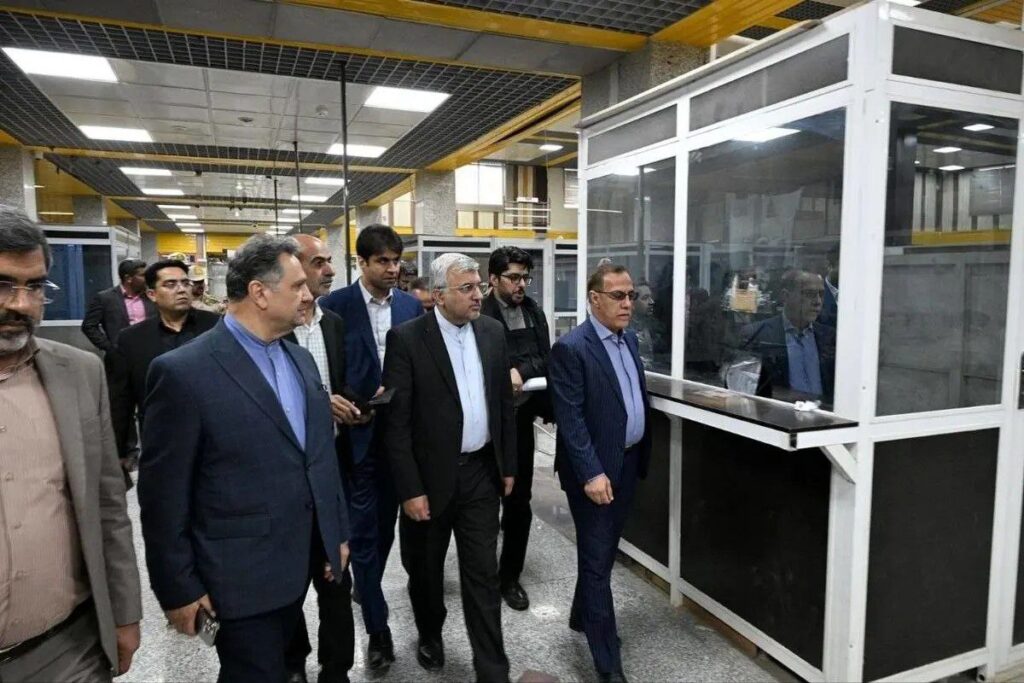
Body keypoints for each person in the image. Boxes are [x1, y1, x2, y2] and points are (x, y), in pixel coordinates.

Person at [138, 234, 350, 683]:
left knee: (290, 664)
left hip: (302, 563)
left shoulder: (301, 360)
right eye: (297, 286)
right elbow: (163, 498)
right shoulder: (183, 373)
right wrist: (179, 589)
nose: (308, 295)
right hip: (239, 578)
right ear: (259, 292)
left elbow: (320, 458)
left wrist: (335, 535)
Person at [0, 205, 142, 682]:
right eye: (3, 284)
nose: (21, 304)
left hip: (67, 651)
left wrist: (124, 612)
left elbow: (108, 505)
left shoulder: (78, 374)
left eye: (35, 286)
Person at [382, 253, 516, 682]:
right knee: (425, 570)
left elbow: (503, 405)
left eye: (479, 286)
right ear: (439, 296)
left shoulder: (492, 333)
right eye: (467, 288)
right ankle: (429, 632)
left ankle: (492, 669)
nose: (479, 295)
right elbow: (396, 425)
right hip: (429, 479)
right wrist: (409, 489)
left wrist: (508, 465)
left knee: (483, 573)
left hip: (480, 473)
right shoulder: (407, 340)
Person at [320, 224, 422, 671]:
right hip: (359, 437)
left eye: (396, 260)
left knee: (389, 533)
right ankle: (378, 631)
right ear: (360, 263)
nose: (392, 269)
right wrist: (348, 402)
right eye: (382, 261)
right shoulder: (334, 307)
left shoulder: (409, 306)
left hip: (405, 439)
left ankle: (369, 585)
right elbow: (328, 369)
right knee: (365, 534)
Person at [548, 263, 651, 683]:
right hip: (594, 473)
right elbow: (570, 419)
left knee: (602, 553)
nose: (628, 304)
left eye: (631, 295)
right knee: (596, 563)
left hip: (627, 463)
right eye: (617, 296)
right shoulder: (572, 348)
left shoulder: (630, 341)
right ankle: (608, 666)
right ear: (594, 299)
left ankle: (581, 614)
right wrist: (592, 473)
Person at [283, 233, 360, 683]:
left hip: (333, 467)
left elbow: (340, 380)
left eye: (329, 261)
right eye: (318, 263)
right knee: (292, 579)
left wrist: (351, 402)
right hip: (291, 477)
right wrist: (319, 402)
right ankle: (293, 661)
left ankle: (337, 668)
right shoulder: (275, 329)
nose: (329, 270)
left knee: (337, 575)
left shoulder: (332, 323)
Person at [480, 246, 552, 611]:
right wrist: (508, 369)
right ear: (493, 279)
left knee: (519, 501)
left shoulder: (533, 311)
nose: (521, 284)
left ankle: (509, 576)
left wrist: (521, 370)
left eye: (525, 277)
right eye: (513, 277)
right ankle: (481, 575)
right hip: (485, 423)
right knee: (482, 502)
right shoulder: (479, 313)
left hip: (521, 421)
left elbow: (546, 357)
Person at [106, 259, 219, 465]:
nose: (181, 289)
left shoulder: (216, 327)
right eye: (170, 284)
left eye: (185, 283)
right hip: (160, 442)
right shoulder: (131, 340)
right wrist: (119, 451)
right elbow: (120, 401)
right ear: (152, 294)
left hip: (214, 439)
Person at [740, 268, 836, 405]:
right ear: (785, 296)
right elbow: (745, 388)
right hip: (777, 413)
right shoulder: (757, 334)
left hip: (824, 414)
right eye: (809, 294)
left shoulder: (830, 337)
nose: (818, 302)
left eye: (821, 294)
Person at [81, 257, 156, 353]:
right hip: (120, 355)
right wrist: (109, 347)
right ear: (128, 278)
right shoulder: (105, 298)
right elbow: (88, 326)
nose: (147, 279)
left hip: (150, 352)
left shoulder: (152, 296)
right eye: (143, 275)